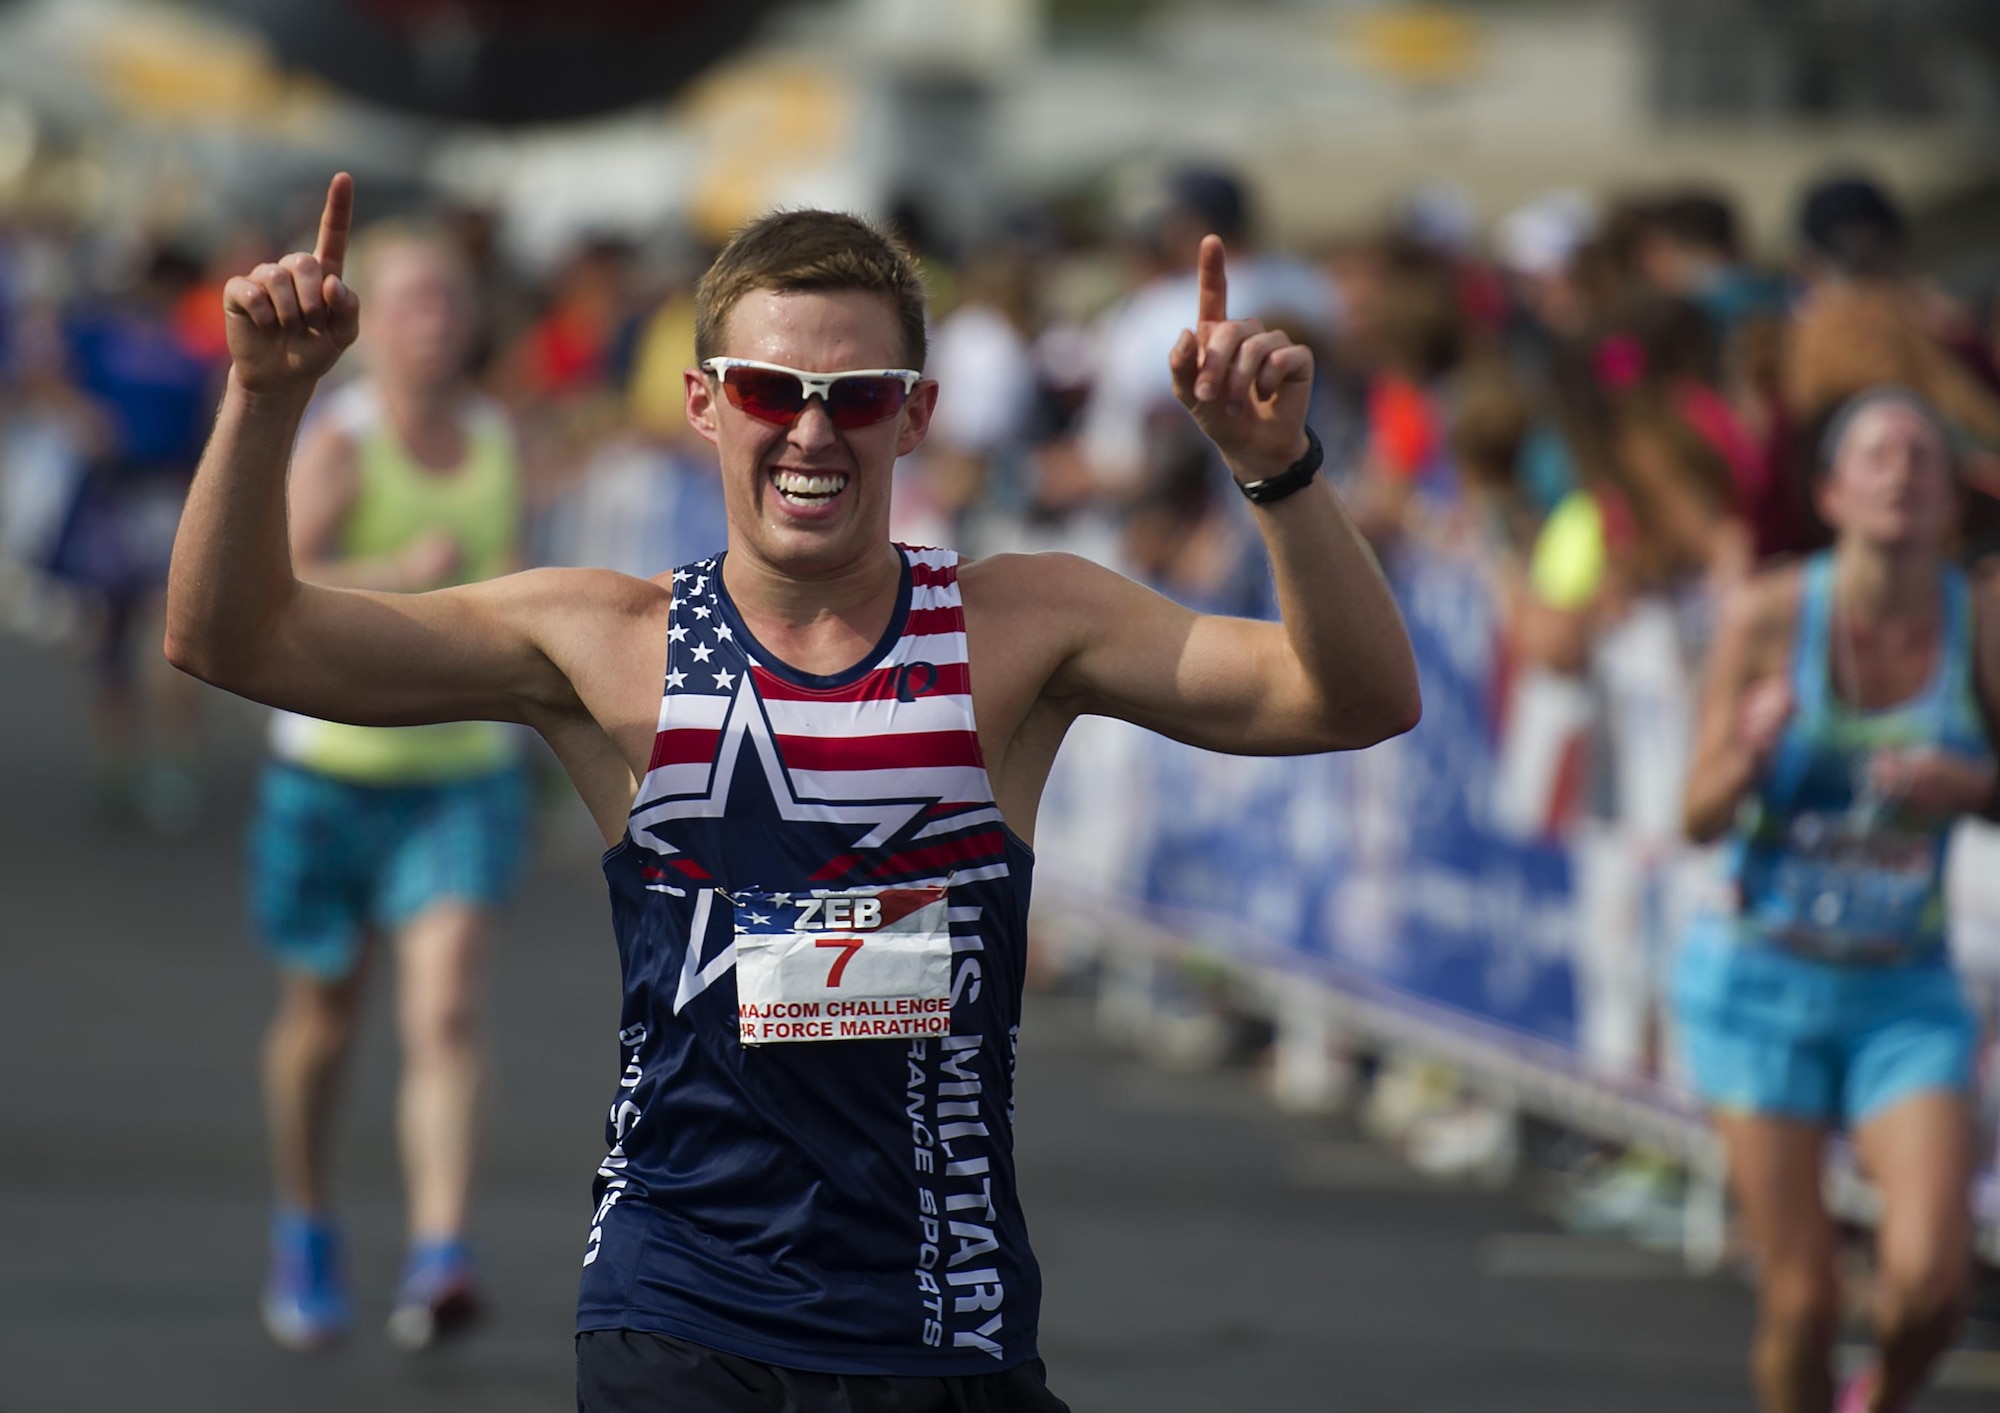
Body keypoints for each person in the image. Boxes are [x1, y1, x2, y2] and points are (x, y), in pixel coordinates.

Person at [165, 174, 1419, 1409]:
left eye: (854, 397)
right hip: (679, 1308)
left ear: (914, 414)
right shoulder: (605, 643)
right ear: (706, 404)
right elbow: (234, 640)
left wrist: (1278, 471)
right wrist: (264, 398)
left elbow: (1351, 698)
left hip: (945, 1319)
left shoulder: (1022, 629)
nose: (812, 433)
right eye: (772, 391)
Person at [244, 221, 530, 1351]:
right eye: (407, 303)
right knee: (323, 1020)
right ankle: (305, 1222)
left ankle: (439, 1249)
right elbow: (281, 576)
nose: (429, 324)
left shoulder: (503, 440)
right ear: (372, 324)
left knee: (447, 1007)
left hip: (457, 772)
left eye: (446, 305)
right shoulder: (344, 439)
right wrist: (395, 580)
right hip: (330, 772)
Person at [1677, 387, 1991, 1413]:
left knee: (1928, 1289)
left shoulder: (1980, 623)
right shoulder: (1770, 615)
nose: (1899, 470)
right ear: (1828, 492)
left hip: (1901, 991)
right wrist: (1750, 750)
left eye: (1920, 455)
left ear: (1948, 498)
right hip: (1757, 978)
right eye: (1874, 455)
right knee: (1803, 1299)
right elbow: (1695, 814)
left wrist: (1974, 787)